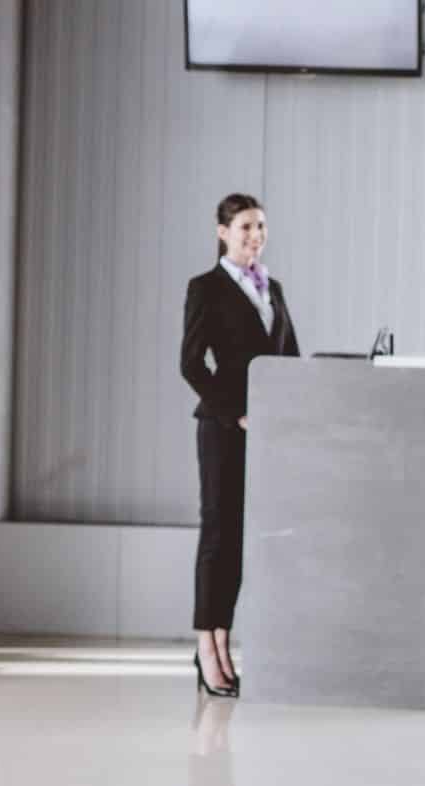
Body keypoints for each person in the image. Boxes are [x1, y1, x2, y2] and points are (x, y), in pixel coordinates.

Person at [179, 193, 301, 698]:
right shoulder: (205, 288)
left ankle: (224, 644)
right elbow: (191, 364)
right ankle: (207, 647)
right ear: (222, 231)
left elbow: (288, 358)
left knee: (243, 539)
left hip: (266, 432)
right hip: (224, 428)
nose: (256, 236)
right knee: (218, 537)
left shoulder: (272, 287)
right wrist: (236, 412)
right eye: (247, 227)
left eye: (262, 227)